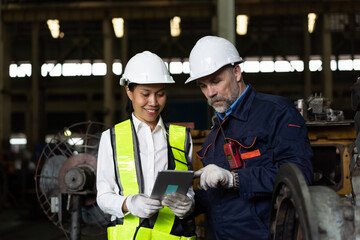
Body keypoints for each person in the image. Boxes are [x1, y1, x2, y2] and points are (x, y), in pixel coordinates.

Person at [185, 36, 314, 239]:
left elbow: (299, 176)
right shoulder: (214, 138)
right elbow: (218, 199)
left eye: (216, 81)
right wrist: (190, 205)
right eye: (203, 86)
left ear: (236, 72)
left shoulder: (277, 113)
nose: (210, 93)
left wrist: (235, 179)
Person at [96, 51, 196, 240]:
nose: (154, 102)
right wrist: (128, 203)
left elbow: (187, 188)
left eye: (160, 94)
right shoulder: (111, 138)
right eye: (145, 94)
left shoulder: (181, 138)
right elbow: (103, 196)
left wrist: (188, 204)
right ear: (129, 91)